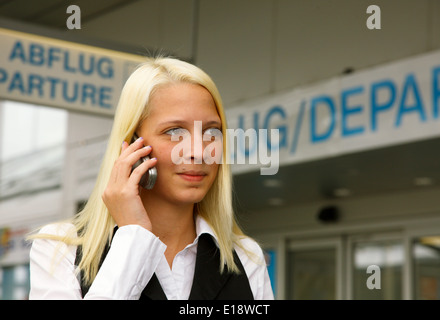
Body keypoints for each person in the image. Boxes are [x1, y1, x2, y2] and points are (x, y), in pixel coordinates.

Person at [28, 56, 274, 300]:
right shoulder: (62, 249)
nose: (199, 152)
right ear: (132, 145)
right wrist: (134, 237)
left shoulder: (245, 256)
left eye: (212, 131)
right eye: (174, 131)